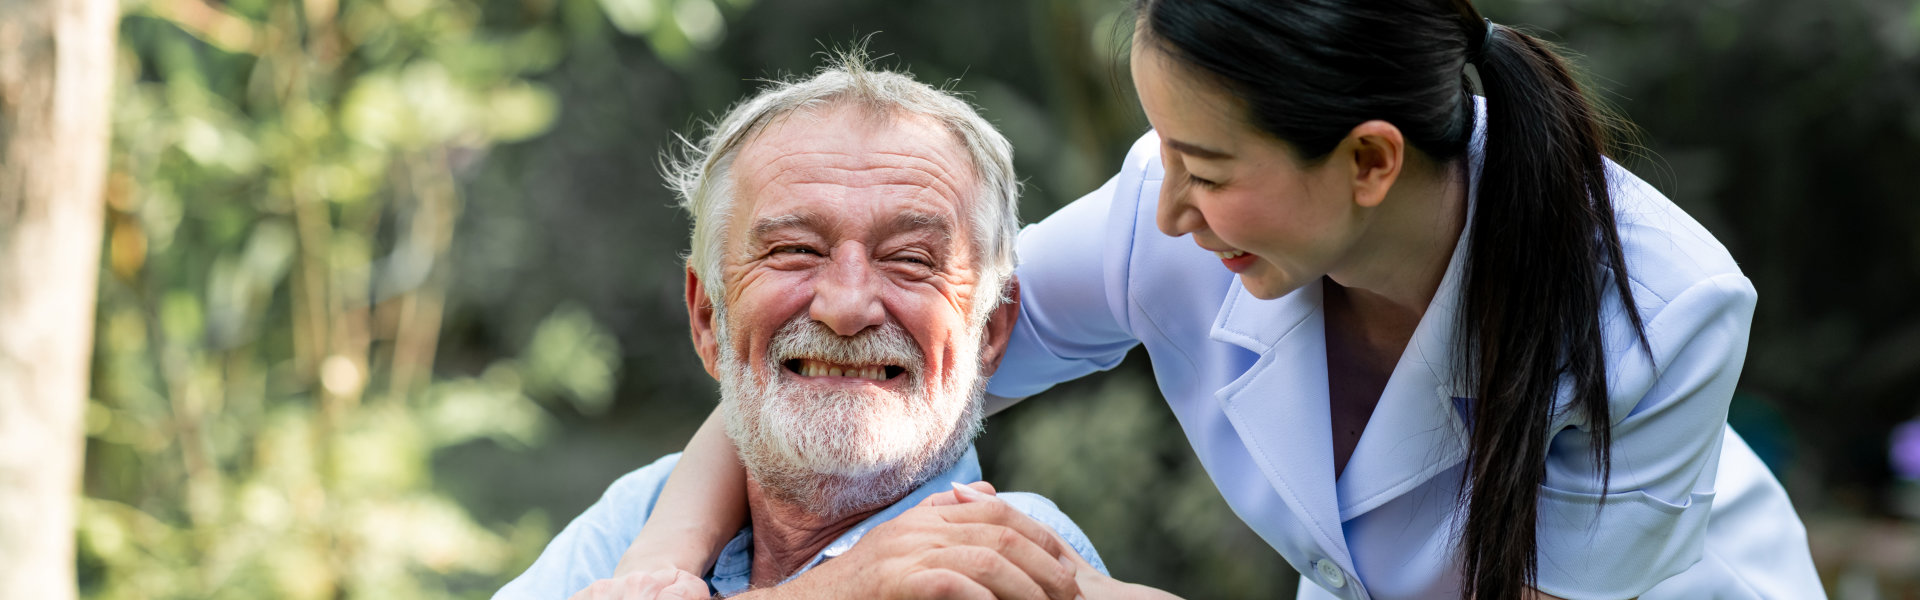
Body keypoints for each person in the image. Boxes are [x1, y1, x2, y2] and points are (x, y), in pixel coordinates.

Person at [606, 1, 1829, 598]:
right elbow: (856, 353)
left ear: (1366, 164)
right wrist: (662, 561)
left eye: (1207, 170)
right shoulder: (1169, 211)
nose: (1167, 207)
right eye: (1161, 149)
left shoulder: (1658, 317)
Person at [493, 53, 1111, 599]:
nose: (845, 307)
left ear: (992, 332)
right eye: (795, 250)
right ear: (708, 318)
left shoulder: (1009, 552)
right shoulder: (644, 509)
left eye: (911, 260)